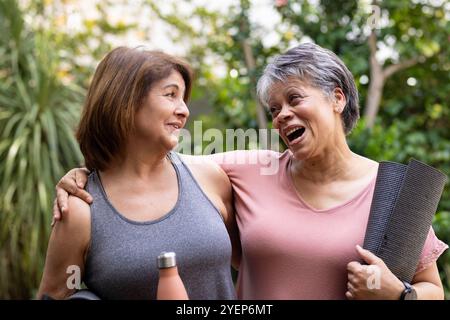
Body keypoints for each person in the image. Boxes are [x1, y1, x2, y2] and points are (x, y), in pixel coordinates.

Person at [53, 43, 448, 299]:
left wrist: (401, 295)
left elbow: (433, 289)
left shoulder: (393, 193)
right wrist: (86, 173)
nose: (282, 116)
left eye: (294, 99)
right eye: (275, 109)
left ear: (337, 99)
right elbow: (144, 165)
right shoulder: (247, 170)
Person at [37, 47, 240, 300]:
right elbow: (54, 295)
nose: (184, 110)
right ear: (125, 101)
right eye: (170, 95)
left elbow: (258, 264)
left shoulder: (209, 177)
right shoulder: (80, 210)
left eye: (183, 98)